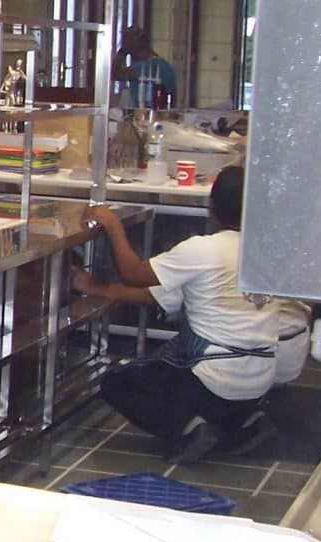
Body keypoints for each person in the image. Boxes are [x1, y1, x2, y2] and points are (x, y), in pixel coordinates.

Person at [73, 165, 279, 463]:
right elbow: (155, 295)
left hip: (214, 379)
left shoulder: (202, 250)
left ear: (212, 206)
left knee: (118, 383)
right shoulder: (266, 251)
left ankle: (189, 430)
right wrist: (95, 287)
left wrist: (113, 225)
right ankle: (247, 423)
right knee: (199, 374)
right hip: (261, 378)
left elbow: (133, 274)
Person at [114, 27, 178, 108]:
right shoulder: (164, 66)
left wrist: (122, 51)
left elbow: (114, 74)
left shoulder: (145, 67)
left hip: (144, 116)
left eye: (124, 42)